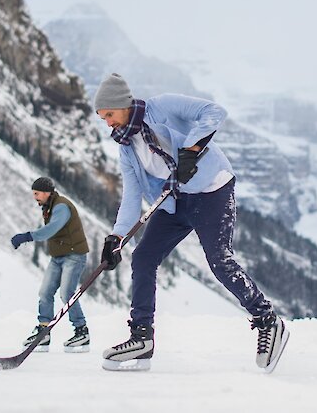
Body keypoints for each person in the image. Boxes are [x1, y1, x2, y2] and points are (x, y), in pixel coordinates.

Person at [94, 73, 289, 372]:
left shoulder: (162, 107)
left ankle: (268, 321)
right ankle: (142, 337)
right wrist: (116, 238)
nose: (107, 122)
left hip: (212, 190)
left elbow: (214, 112)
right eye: (102, 117)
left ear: (123, 105)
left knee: (219, 261)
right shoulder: (126, 148)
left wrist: (193, 149)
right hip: (176, 200)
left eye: (109, 114)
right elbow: (132, 197)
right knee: (143, 257)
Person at [10, 176, 90, 353]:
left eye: (37, 193)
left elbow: (51, 229)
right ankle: (43, 331)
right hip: (58, 256)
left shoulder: (61, 206)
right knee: (45, 292)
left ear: (47, 192)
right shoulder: (48, 206)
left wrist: (27, 236)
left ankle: (81, 331)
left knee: (67, 293)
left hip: (74, 256)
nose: (35, 197)